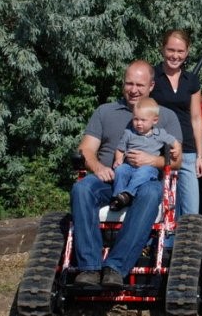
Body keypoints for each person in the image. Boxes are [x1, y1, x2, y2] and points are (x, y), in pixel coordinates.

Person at [71, 60, 182, 287]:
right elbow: (86, 149)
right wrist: (99, 167)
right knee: (81, 188)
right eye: (129, 84)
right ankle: (90, 268)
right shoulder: (106, 111)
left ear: (151, 86)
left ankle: (115, 267)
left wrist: (153, 160)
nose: (133, 89)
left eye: (140, 85)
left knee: (151, 193)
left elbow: (177, 160)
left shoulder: (165, 116)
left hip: (147, 179)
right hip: (111, 178)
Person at [151, 29, 202, 217]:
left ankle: (187, 246)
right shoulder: (152, 76)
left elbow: (196, 118)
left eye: (180, 51)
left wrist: (200, 156)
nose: (175, 55)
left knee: (191, 210)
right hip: (156, 148)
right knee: (158, 206)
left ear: (187, 51)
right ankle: (158, 245)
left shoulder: (191, 80)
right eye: (171, 50)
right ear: (162, 49)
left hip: (187, 150)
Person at [110, 98, 178, 211]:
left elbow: (175, 142)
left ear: (155, 120)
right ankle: (117, 198)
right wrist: (118, 160)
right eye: (135, 119)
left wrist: (176, 150)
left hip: (149, 167)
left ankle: (127, 195)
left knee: (143, 172)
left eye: (143, 120)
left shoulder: (160, 134)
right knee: (120, 170)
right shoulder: (129, 133)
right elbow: (120, 149)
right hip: (129, 166)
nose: (139, 123)